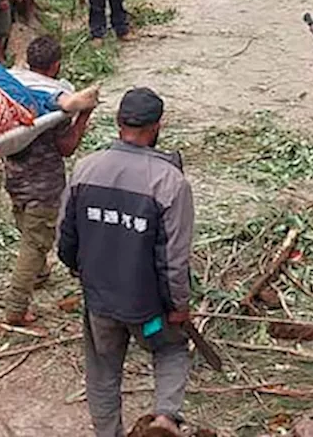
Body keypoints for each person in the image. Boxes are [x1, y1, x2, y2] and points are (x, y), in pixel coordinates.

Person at [57, 88, 194, 437]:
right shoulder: (169, 182)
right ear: (156, 127)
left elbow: (65, 239)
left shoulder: (86, 169)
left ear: (118, 123)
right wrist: (178, 305)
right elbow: (173, 258)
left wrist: (80, 269)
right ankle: (165, 419)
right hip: (148, 314)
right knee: (170, 348)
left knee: (103, 369)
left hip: (101, 306)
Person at [3, 36, 96, 327]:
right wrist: (84, 116)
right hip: (43, 183)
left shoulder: (12, 86)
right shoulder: (58, 96)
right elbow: (66, 146)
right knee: (35, 241)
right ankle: (16, 307)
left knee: (27, 226)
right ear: (56, 66)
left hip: (14, 175)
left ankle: (40, 273)